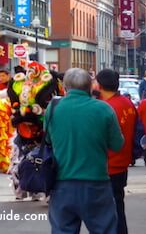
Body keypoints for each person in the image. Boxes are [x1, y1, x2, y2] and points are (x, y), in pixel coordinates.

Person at [44, 68, 124, 234]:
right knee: (105, 229)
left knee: (62, 229)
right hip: (97, 183)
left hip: (62, 183)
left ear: (65, 87)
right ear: (90, 86)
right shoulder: (104, 109)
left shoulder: (53, 108)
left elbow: (47, 140)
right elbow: (117, 145)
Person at [96, 69, 136, 234]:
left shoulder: (105, 107)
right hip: (122, 163)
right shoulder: (128, 104)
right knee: (118, 206)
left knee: (107, 211)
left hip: (108, 165)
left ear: (99, 85)